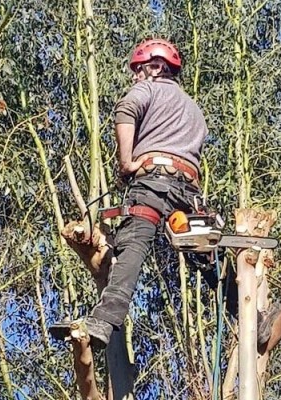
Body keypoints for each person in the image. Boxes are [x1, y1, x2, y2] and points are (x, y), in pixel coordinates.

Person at [50, 38, 208, 348]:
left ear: (155, 67)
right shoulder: (194, 109)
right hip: (189, 193)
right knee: (206, 256)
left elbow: (125, 111)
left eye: (138, 70)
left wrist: (126, 162)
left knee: (133, 244)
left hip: (154, 181)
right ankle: (254, 317)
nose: (135, 77)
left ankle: (103, 320)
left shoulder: (148, 89)